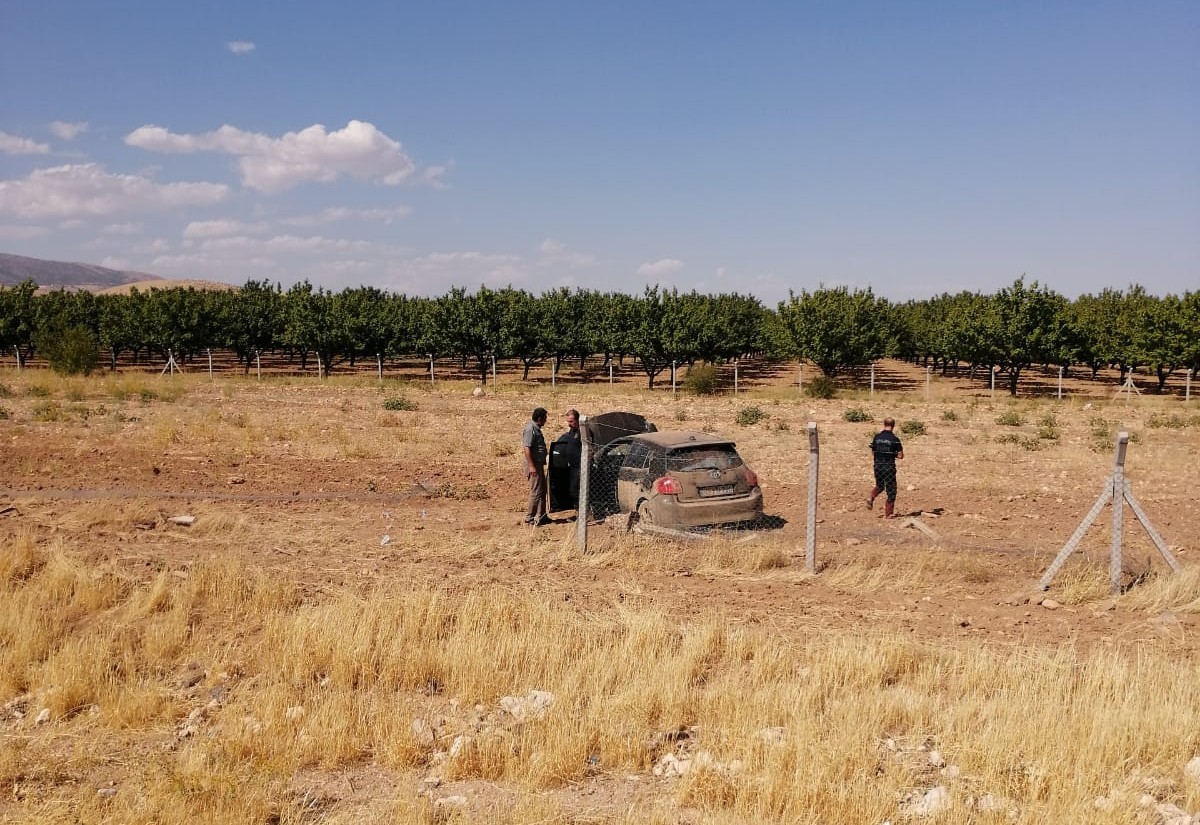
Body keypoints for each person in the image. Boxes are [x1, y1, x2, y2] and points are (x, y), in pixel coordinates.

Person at [866, 417, 904, 519]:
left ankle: (871, 497)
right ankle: (889, 514)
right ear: (893, 425)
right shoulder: (895, 440)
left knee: (880, 485)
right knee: (891, 491)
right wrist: (892, 454)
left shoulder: (877, 437)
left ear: (884, 424)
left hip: (878, 466)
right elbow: (900, 456)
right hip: (889, 467)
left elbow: (873, 452)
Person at [548, 409, 582, 512]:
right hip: (571, 467)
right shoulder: (572, 431)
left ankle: (583, 515)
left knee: (575, 491)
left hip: (580, 467)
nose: (569, 424)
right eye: (568, 422)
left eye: (571, 422)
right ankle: (579, 514)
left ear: (577, 420)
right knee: (572, 491)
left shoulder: (583, 432)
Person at [521, 407, 551, 526]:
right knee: (536, 491)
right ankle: (529, 517)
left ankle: (542, 515)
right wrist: (531, 466)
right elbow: (527, 448)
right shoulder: (530, 429)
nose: (546, 421)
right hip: (533, 465)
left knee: (542, 490)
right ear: (540, 418)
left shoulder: (536, 429)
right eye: (545, 418)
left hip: (538, 464)